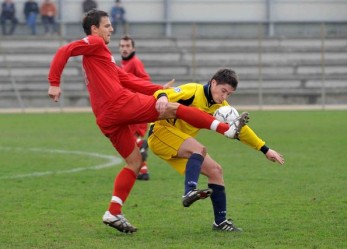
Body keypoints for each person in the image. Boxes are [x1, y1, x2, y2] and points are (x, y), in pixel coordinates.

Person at [48, 9, 248, 234]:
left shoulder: (101, 58)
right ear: (94, 29)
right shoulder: (94, 42)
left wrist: (159, 89)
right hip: (118, 105)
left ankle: (113, 211)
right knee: (175, 109)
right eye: (107, 25)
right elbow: (64, 50)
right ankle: (226, 129)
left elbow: (127, 79)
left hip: (105, 118)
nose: (111, 29)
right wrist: (54, 82)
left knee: (134, 162)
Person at [148, 68, 285, 232]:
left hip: (181, 142)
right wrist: (163, 96)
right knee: (199, 149)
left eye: (229, 94)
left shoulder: (221, 107)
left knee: (216, 170)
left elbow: (240, 131)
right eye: (223, 91)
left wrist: (265, 149)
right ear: (213, 83)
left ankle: (220, 222)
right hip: (160, 133)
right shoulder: (193, 90)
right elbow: (161, 93)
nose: (224, 97)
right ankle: (189, 192)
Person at [119, 34, 152, 180]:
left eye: (127, 46)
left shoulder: (135, 62)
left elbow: (145, 80)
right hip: (131, 105)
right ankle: (143, 172)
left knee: (131, 141)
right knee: (133, 140)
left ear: (133, 48)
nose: (124, 49)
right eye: (122, 46)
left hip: (136, 105)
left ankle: (142, 144)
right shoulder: (125, 64)